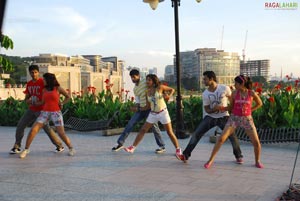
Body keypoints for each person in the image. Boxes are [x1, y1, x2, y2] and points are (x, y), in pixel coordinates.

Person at [179, 71, 243, 163]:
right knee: (196, 134)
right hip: (210, 117)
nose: (203, 81)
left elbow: (232, 102)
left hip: (224, 117)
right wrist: (215, 109)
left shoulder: (224, 88)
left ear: (211, 79)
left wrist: (225, 109)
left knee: (232, 136)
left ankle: (239, 156)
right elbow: (207, 110)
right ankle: (185, 155)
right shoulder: (205, 94)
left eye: (205, 79)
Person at [204, 74, 264, 169]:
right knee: (221, 139)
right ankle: (210, 160)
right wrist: (221, 108)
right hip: (234, 118)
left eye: (236, 83)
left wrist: (250, 110)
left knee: (256, 142)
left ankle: (257, 161)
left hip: (247, 119)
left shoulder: (251, 93)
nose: (234, 85)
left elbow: (260, 103)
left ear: (242, 83)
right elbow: (230, 108)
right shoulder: (234, 93)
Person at [124, 74, 183, 160]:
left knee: (169, 132)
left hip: (163, 113)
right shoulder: (147, 92)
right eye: (147, 80)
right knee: (143, 130)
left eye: (149, 80)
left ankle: (178, 149)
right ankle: (132, 147)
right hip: (153, 113)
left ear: (154, 81)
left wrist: (169, 96)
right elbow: (148, 106)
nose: (147, 82)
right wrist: (137, 109)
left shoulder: (160, 88)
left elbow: (172, 89)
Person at [9, 65, 64, 154]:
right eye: (32, 72)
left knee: (47, 128)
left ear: (38, 72)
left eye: (35, 72)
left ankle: (59, 145)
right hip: (32, 109)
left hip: (42, 110)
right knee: (20, 125)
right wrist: (28, 101)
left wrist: (59, 102)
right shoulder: (29, 84)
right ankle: (17, 146)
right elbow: (26, 98)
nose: (34, 74)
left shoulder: (43, 82)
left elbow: (54, 91)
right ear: (29, 73)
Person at [19, 73, 75, 158]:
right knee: (33, 130)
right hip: (45, 113)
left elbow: (68, 97)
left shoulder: (58, 88)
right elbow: (42, 102)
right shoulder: (44, 90)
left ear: (49, 80)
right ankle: (26, 149)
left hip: (56, 113)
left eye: (44, 79)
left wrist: (62, 103)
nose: (43, 81)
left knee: (61, 133)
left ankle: (71, 148)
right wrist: (32, 102)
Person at [112, 69, 166, 154]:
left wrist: (162, 94)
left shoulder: (145, 81)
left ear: (138, 76)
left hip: (150, 109)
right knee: (130, 124)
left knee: (154, 127)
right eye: (131, 77)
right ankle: (120, 143)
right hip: (141, 109)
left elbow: (156, 84)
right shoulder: (135, 89)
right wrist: (135, 108)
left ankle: (162, 146)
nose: (132, 79)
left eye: (134, 77)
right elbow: (138, 101)